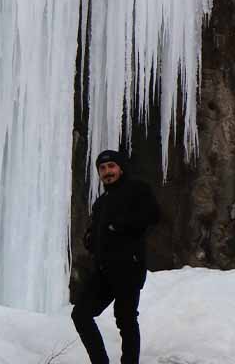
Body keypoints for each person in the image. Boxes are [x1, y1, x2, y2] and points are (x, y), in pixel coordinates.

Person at [72, 149, 161, 364]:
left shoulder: (137, 189)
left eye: (111, 166)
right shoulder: (101, 202)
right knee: (81, 314)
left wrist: (119, 225)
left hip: (129, 267)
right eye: (102, 168)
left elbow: (153, 215)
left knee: (126, 320)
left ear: (120, 168)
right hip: (104, 270)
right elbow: (97, 232)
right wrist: (91, 239)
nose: (107, 172)